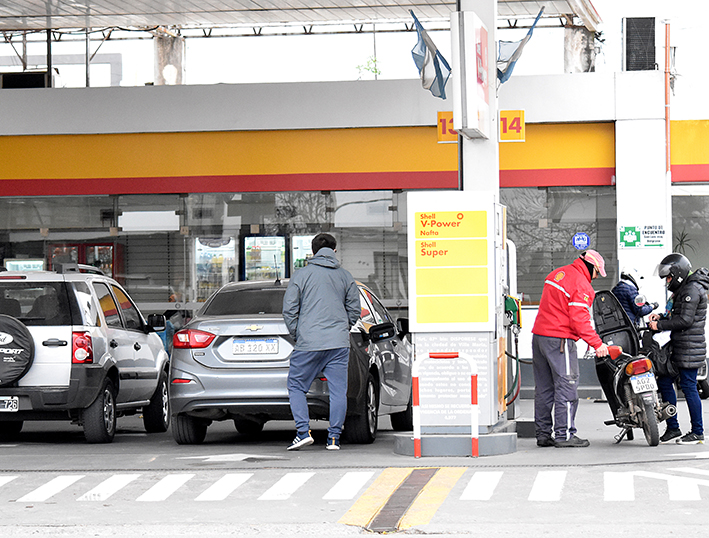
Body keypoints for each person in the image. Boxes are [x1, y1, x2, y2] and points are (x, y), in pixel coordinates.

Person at [282, 233, 360, 451]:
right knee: (338, 391)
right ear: (334, 251)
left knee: (296, 385)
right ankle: (334, 438)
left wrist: (298, 334)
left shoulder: (301, 275)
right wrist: (343, 328)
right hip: (338, 344)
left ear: (313, 252)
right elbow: (354, 309)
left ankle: (302, 432)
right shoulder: (345, 276)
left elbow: (289, 309)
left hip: (309, 343)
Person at [531, 250, 610, 448]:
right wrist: (597, 344)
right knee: (566, 386)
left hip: (539, 337)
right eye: (597, 273)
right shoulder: (581, 284)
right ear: (591, 266)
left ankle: (542, 434)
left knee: (544, 389)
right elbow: (579, 320)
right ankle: (564, 435)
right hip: (560, 341)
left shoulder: (557, 274)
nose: (596, 277)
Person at [648, 253, 708, 445]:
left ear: (678, 273)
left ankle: (697, 431)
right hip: (679, 346)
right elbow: (677, 314)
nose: (667, 281)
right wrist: (661, 317)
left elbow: (685, 320)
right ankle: (673, 427)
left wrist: (660, 326)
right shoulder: (684, 288)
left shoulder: (692, 289)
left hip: (689, 346)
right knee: (665, 380)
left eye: (669, 277)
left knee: (689, 386)